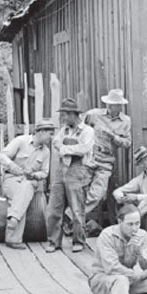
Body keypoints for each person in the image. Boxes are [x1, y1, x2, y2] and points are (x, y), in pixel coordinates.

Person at [0, 119, 55, 249]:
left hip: (29, 182)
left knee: (26, 188)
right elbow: (1, 156)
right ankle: (14, 230)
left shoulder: (46, 152)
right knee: (21, 196)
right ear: (41, 132)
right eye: (50, 134)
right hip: (11, 179)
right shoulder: (20, 141)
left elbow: (45, 173)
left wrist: (34, 174)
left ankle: (13, 221)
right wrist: (12, 165)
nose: (51, 138)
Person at [46, 98, 94, 253]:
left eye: (66, 115)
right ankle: (54, 241)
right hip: (61, 169)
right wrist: (66, 147)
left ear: (74, 115)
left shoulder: (87, 131)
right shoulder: (64, 130)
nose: (63, 118)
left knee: (77, 209)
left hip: (77, 169)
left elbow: (83, 148)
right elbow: (55, 142)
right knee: (54, 208)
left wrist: (64, 148)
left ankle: (78, 240)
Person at [77, 89, 131, 222]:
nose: (113, 106)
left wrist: (113, 136)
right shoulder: (94, 114)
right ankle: (74, 220)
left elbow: (127, 143)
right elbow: (79, 128)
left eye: (117, 104)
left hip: (107, 160)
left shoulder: (125, 121)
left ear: (120, 105)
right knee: (79, 189)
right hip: (90, 156)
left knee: (98, 193)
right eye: (111, 104)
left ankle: (72, 216)